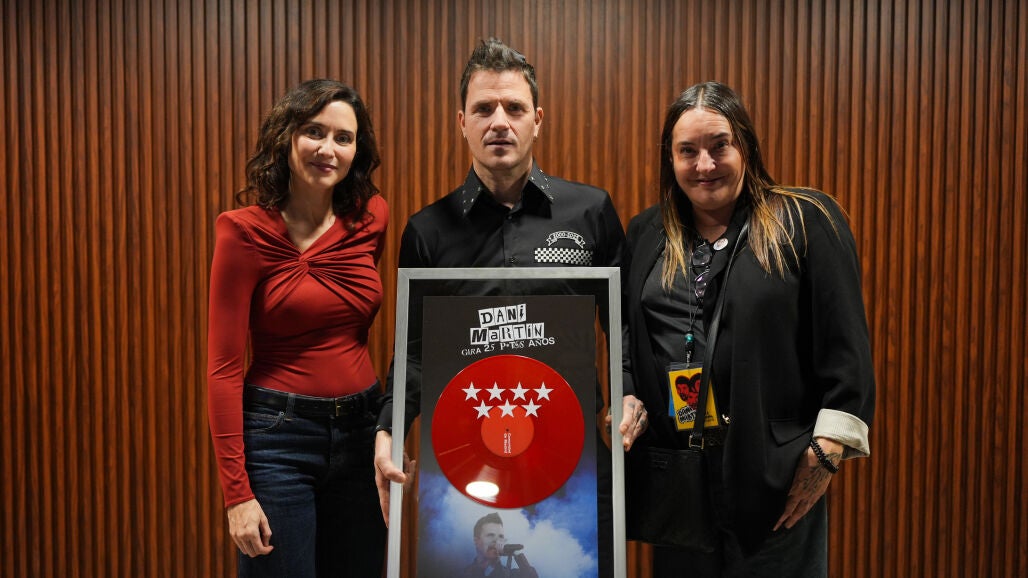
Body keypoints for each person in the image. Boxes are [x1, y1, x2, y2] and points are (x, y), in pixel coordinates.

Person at [373, 38, 648, 576]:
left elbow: (622, 327)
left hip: (573, 460)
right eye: (483, 109)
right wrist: (388, 428)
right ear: (462, 123)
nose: (499, 122)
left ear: (537, 120)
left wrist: (627, 390)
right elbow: (413, 354)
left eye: (514, 108)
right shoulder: (427, 231)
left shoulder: (590, 211)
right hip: (466, 466)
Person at [624, 81, 875, 577]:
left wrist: (825, 454)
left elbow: (847, 346)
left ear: (746, 146)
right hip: (679, 480)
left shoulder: (804, 220)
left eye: (720, 146)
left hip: (775, 479)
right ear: (670, 159)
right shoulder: (646, 232)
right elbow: (632, 341)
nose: (704, 164)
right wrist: (628, 394)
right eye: (687, 151)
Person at [206, 79, 389, 577]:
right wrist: (236, 495)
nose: (328, 149)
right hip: (277, 440)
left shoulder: (372, 217)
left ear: (356, 150)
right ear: (286, 136)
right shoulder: (242, 231)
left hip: (361, 432)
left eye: (343, 138)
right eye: (314, 132)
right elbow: (223, 368)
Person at [460, 513, 538, 578]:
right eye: (490, 535)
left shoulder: (512, 574)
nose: (496, 541)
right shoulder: (464, 574)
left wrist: (516, 554)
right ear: (477, 541)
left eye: (500, 536)